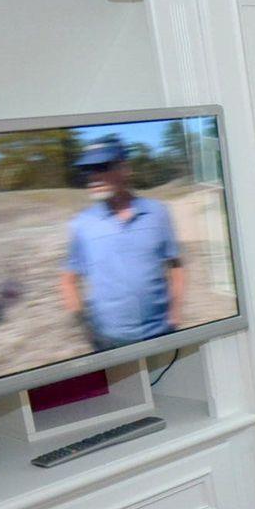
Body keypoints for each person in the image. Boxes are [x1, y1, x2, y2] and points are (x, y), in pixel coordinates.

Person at [60, 135, 185, 349]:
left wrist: (175, 314)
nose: (93, 176)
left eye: (102, 166)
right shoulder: (82, 224)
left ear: (125, 168)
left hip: (161, 333)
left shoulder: (158, 213)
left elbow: (176, 266)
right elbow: (68, 280)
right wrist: (85, 329)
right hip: (108, 340)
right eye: (88, 169)